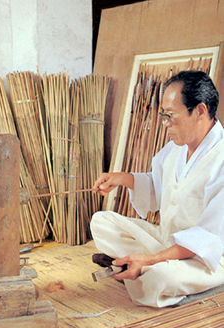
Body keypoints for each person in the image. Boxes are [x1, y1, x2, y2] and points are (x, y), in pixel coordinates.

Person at [91, 70, 224, 308]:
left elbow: (208, 238)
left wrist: (150, 259)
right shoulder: (176, 148)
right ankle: (143, 268)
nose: (165, 124)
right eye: (164, 115)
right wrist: (123, 178)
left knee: (164, 278)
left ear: (200, 111)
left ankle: (145, 269)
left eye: (170, 116)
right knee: (101, 222)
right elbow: (157, 187)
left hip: (207, 259)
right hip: (167, 243)